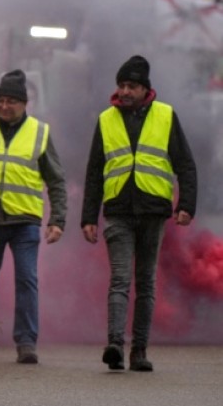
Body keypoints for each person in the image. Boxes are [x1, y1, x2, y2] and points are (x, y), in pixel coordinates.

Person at [80, 55, 197, 372]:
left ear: (146, 89)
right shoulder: (106, 119)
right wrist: (88, 217)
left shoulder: (166, 116)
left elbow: (184, 164)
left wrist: (186, 205)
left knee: (145, 283)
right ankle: (115, 344)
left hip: (154, 211)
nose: (125, 91)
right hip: (118, 210)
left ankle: (140, 351)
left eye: (131, 86)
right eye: (121, 85)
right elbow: (94, 171)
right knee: (120, 280)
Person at [0, 69, 67, 364]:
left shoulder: (39, 133)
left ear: (24, 104)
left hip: (25, 221)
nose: (4, 106)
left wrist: (58, 220)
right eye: (0, 100)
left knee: (27, 280)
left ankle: (27, 343)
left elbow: (56, 179)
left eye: (11, 101)